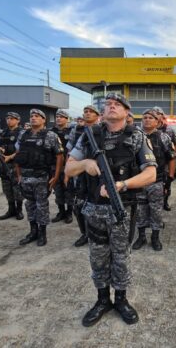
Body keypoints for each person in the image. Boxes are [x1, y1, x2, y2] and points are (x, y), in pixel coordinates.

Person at [65, 93, 156, 327]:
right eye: (108, 104)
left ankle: (121, 300)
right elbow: (69, 168)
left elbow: (151, 174)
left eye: (118, 104)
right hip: (94, 208)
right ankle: (102, 300)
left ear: (127, 113)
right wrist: (85, 164)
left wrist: (123, 185)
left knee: (121, 257)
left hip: (122, 208)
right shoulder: (89, 136)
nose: (112, 106)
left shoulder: (137, 137)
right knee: (97, 257)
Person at [14, 109, 63, 247]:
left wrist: (56, 176)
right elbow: (18, 154)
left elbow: (59, 156)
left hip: (41, 177)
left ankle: (42, 233)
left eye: (37, 116)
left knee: (41, 206)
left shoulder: (51, 135)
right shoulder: (23, 134)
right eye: (31, 116)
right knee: (29, 205)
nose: (33, 118)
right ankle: (32, 231)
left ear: (43, 120)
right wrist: (18, 174)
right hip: (26, 177)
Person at [133, 108, 176, 251]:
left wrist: (169, 178)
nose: (147, 119)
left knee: (156, 210)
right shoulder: (135, 136)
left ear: (157, 122)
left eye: (150, 118)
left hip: (156, 181)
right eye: (144, 117)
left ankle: (155, 237)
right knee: (140, 210)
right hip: (138, 181)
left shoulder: (164, 137)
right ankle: (141, 236)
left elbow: (171, 158)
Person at [67, 105, 100, 247]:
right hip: (79, 172)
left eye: (91, 112)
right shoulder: (77, 130)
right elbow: (70, 153)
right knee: (78, 205)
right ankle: (84, 233)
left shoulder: (102, 131)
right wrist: (67, 172)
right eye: (85, 111)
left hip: (97, 174)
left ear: (98, 116)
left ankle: (95, 233)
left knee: (96, 206)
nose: (87, 114)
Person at [0, 112, 24, 220]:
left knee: (17, 187)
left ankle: (19, 210)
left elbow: (22, 148)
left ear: (18, 120)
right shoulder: (3, 132)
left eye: (12, 118)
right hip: (4, 163)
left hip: (16, 164)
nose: (9, 120)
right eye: (7, 118)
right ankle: (11, 209)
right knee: (7, 188)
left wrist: (11, 157)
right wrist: (0, 149)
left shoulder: (22, 133)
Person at [51, 109, 73, 224]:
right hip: (54, 165)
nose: (58, 118)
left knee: (68, 189)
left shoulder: (71, 131)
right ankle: (61, 212)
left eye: (61, 116)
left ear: (66, 119)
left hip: (68, 165)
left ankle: (69, 212)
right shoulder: (51, 132)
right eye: (57, 116)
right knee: (58, 189)